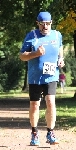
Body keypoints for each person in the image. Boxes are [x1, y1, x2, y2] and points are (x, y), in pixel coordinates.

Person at [19, 11, 65, 146]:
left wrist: (61, 58)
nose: (45, 27)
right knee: (35, 105)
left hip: (51, 75)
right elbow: (22, 56)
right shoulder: (31, 36)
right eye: (42, 24)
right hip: (35, 77)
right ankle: (34, 132)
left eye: (47, 24)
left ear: (51, 23)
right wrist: (36, 53)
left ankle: (51, 132)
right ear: (37, 24)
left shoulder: (57, 35)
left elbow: (60, 47)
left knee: (51, 102)